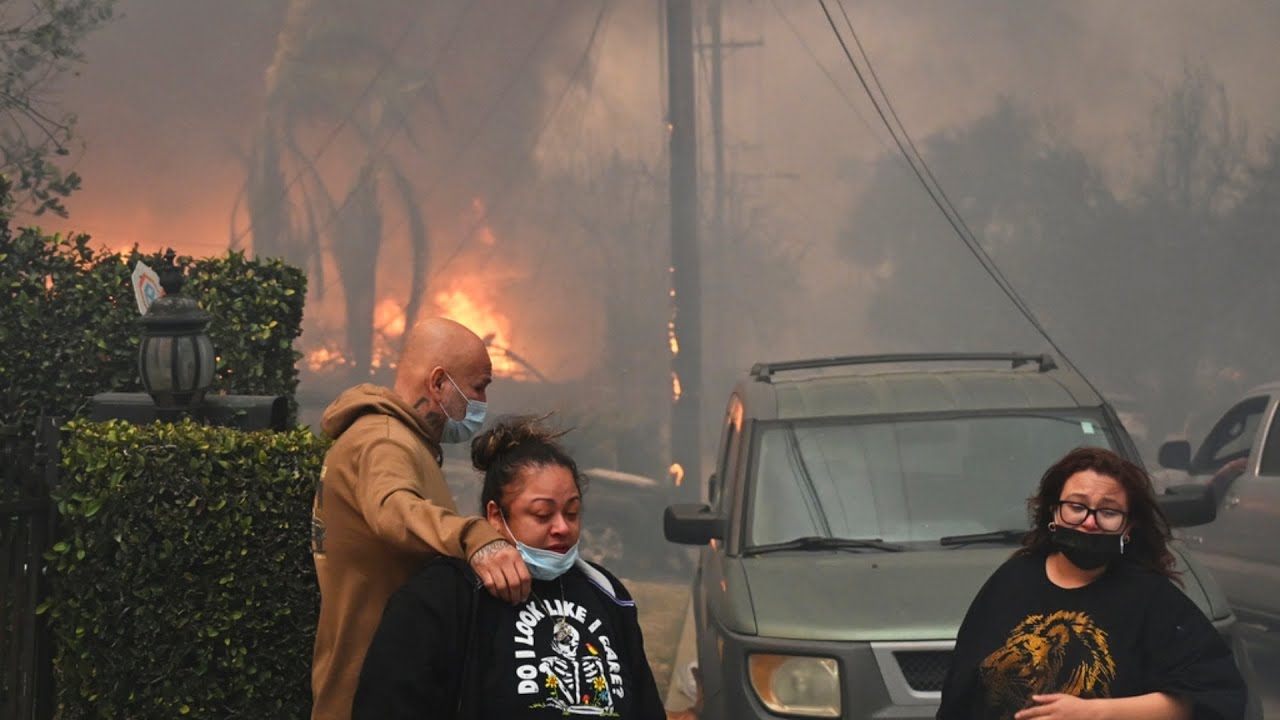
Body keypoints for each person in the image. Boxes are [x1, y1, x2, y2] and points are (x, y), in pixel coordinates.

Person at [352, 416, 667, 719]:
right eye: (542, 514)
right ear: (496, 516)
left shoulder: (608, 594)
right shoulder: (443, 596)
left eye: (572, 513)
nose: (562, 528)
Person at [311, 317, 531, 720]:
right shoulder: (385, 440)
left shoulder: (395, 438)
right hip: (371, 700)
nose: (483, 401)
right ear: (439, 383)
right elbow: (392, 509)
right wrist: (475, 538)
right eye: (479, 386)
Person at [938, 446, 1246, 720]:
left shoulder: (1153, 600)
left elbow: (1213, 700)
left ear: (1127, 527)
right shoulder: (1010, 583)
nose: (1089, 521)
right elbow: (960, 695)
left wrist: (1095, 712)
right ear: (1053, 513)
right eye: (1076, 506)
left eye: (1108, 512)